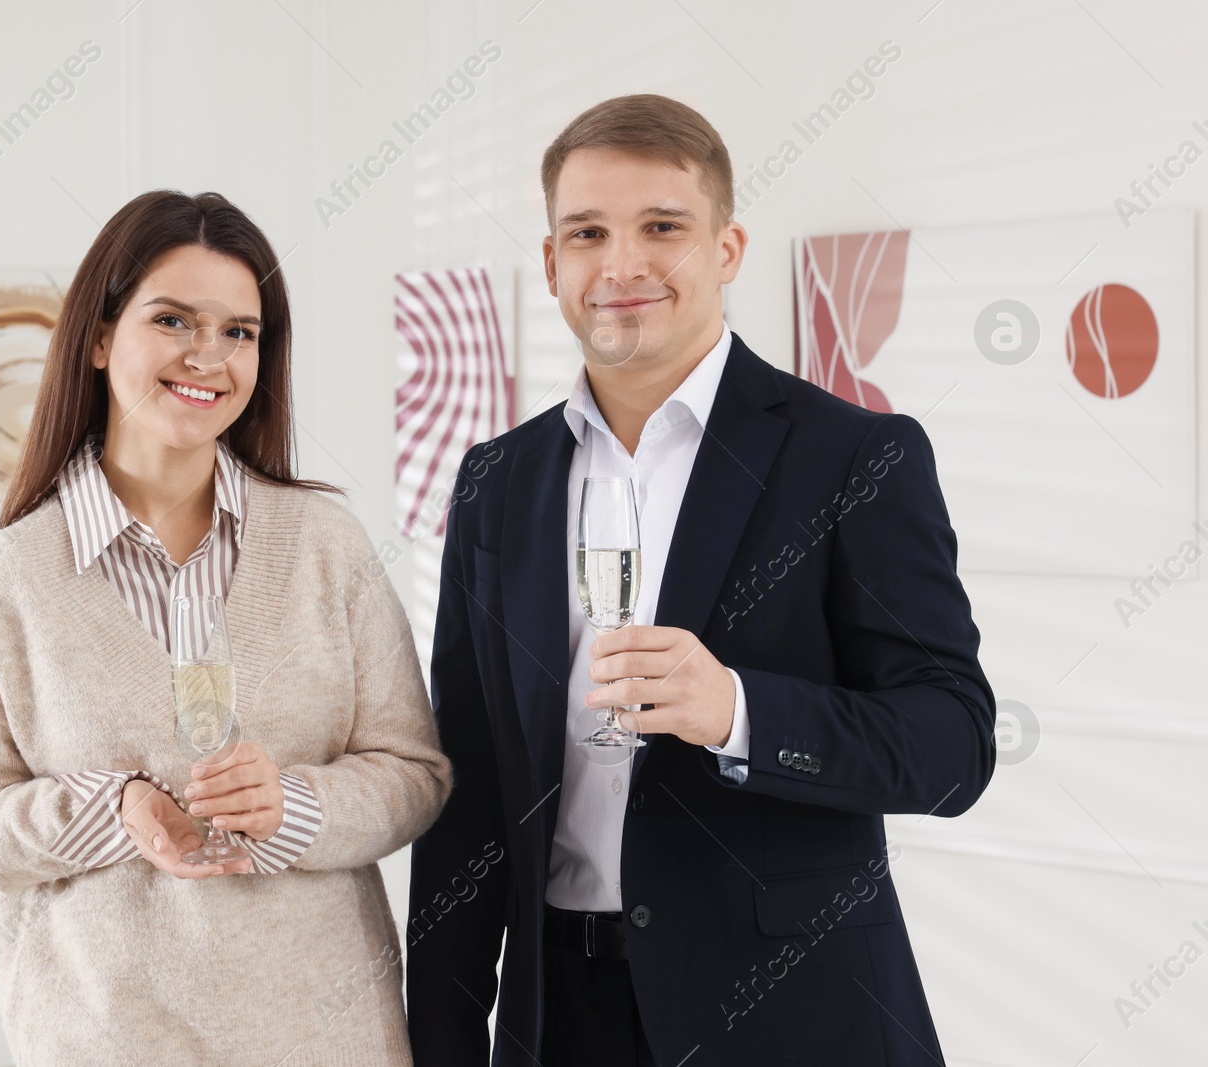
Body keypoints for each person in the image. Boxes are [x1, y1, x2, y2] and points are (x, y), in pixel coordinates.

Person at [407, 94, 995, 1066]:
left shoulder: (854, 457)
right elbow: (465, 787)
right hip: (559, 1018)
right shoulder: (495, 481)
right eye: (587, 231)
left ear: (726, 248)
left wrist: (735, 709)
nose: (623, 263)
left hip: (790, 1019)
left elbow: (951, 746)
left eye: (662, 227)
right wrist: (440, 1039)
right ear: (552, 263)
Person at [0, 189, 450, 1066]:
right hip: (104, 1040)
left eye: (240, 331)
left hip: (328, 1040)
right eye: (173, 320)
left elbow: (415, 776)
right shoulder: (8, 583)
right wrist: (113, 807)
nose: (209, 355)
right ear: (98, 338)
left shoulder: (325, 545)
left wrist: (297, 805)